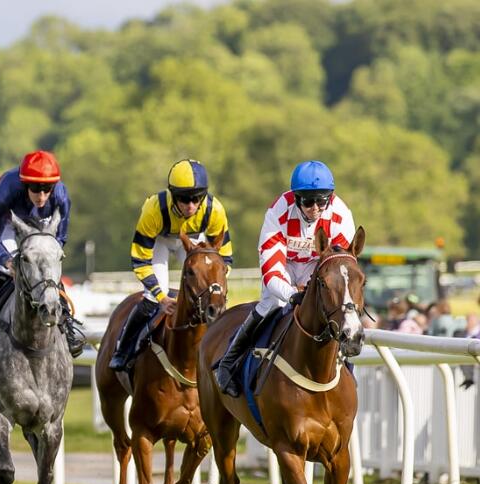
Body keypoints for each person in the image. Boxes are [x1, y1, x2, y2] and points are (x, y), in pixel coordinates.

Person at [215, 159, 356, 397]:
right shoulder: (277, 211)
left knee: (336, 309)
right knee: (272, 303)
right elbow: (271, 272)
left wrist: (313, 289)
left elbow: (341, 268)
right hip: (285, 266)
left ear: (329, 198)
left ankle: (349, 371)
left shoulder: (341, 213)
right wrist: (294, 294)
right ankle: (229, 363)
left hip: (318, 267)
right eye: (307, 201)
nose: (315, 208)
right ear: (295, 198)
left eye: (321, 201)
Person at [0, 150, 85, 357]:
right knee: (4, 271)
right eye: (35, 189)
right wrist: (8, 261)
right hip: (6, 221)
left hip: (40, 223)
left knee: (47, 271)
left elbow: (60, 238)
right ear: (25, 184)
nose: (42, 196)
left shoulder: (60, 197)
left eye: (47, 189)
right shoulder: (5, 194)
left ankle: (68, 328)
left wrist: (50, 256)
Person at [108, 158, 233, 371]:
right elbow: (140, 260)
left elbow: (225, 259)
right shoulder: (153, 210)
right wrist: (161, 298)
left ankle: (226, 355)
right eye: (184, 199)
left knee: (214, 300)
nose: (191, 206)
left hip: (196, 244)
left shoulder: (215, 210)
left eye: (196, 198)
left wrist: (214, 289)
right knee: (150, 299)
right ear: (172, 194)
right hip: (161, 241)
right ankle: (124, 350)